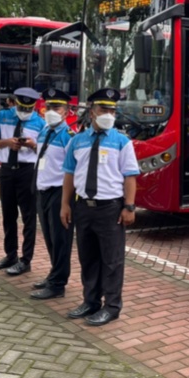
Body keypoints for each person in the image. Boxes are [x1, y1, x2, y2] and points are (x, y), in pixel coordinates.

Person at [60, 88, 139, 326]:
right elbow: (69, 175)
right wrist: (65, 203)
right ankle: (91, 301)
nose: (109, 114)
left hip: (110, 209)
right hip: (84, 207)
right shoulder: (77, 141)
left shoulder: (121, 142)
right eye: (104, 109)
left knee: (112, 260)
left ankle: (112, 306)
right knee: (88, 257)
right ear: (92, 112)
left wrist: (129, 207)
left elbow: (130, 176)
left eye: (113, 110)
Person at [0, 87, 45, 275]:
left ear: (34, 107)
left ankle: (26, 259)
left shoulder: (40, 123)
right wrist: (7, 143)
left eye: (29, 109)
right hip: (7, 170)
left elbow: (44, 151)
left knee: (29, 217)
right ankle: (10, 254)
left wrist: (32, 144)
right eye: (22, 108)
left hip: (27, 171)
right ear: (16, 103)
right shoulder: (2, 116)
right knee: (8, 215)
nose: (25, 112)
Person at [31, 88, 75, 300]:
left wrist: (67, 201)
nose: (51, 111)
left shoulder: (69, 136)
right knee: (49, 237)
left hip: (59, 192)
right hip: (43, 190)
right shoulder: (45, 131)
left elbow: (72, 170)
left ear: (66, 112)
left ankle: (58, 284)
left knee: (60, 240)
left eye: (56, 107)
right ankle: (54, 274)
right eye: (48, 107)